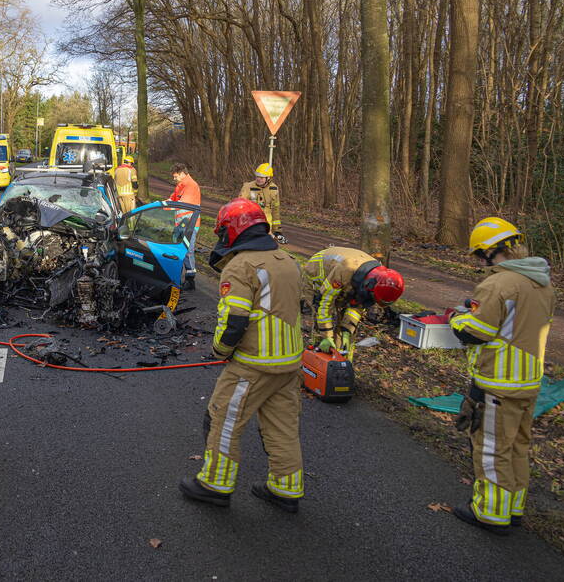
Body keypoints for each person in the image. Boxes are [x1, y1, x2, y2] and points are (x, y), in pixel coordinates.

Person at [179, 198, 306, 510]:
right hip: (289, 362)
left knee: (222, 418)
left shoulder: (240, 266)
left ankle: (215, 484)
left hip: (253, 364)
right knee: (282, 427)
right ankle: (286, 488)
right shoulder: (286, 259)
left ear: (232, 231)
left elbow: (234, 319)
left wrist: (220, 350)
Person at [448, 217, 554, 535]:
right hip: (529, 381)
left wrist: (458, 320)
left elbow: (478, 331)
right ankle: (514, 508)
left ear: (495, 252)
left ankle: (491, 513)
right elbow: (516, 324)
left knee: (492, 448)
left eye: (481, 255)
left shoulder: (498, 283)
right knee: (517, 446)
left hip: (498, 381)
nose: (481, 263)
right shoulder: (543, 282)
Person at [303, 246, 404, 358]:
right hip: (317, 277)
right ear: (369, 286)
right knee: (321, 322)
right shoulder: (346, 269)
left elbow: (357, 306)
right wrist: (327, 335)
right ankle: (316, 358)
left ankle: (340, 364)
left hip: (345, 281)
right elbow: (323, 303)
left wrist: (347, 329)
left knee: (346, 334)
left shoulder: (374, 278)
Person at [169, 163, 201, 291]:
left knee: (187, 251)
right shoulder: (181, 185)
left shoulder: (191, 186)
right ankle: (175, 277)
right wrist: (162, 204)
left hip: (189, 225)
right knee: (177, 250)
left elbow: (183, 204)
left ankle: (190, 279)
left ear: (182, 174)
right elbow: (173, 199)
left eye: (175, 176)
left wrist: (168, 205)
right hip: (182, 224)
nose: (174, 179)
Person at [239, 163, 286, 244]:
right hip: (250, 225)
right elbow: (240, 205)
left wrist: (277, 230)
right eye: (257, 176)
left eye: (261, 177)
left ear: (268, 178)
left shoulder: (273, 189)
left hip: (267, 228)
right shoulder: (247, 187)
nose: (258, 179)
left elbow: (275, 210)